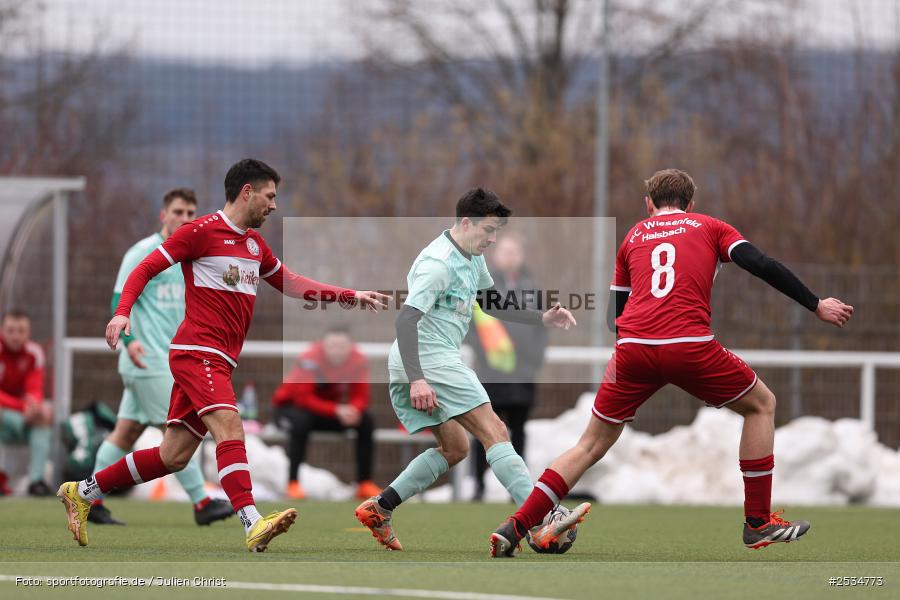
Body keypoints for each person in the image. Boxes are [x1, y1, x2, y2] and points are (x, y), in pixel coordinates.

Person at [489, 169, 854, 557]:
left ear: (648, 204)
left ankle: (515, 525)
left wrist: (640, 351)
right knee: (762, 405)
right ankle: (757, 523)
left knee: (590, 445)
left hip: (632, 349)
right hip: (689, 346)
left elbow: (613, 316)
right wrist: (815, 304)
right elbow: (761, 263)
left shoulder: (633, 236)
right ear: (690, 204)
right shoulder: (710, 226)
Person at [57, 158, 389, 552]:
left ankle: (83, 491)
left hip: (217, 360)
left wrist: (350, 296)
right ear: (247, 192)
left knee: (173, 456)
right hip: (197, 353)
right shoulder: (200, 232)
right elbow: (145, 268)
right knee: (230, 427)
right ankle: (252, 521)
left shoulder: (254, 245)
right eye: (270, 196)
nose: (274, 205)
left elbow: (292, 283)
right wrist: (122, 312)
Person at [354, 187, 576, 551]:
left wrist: (541, 318)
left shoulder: (472, 255)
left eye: (496, 233)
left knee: (455, 448)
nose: (492, 239)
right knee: (496, 432)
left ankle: (381, 507)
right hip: (428, 361)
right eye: (488, 230)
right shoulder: (438, 263)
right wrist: (418, 379)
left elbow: (490, 303)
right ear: (467, 222)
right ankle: (542, 518)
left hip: (432, 361)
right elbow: (405, 322)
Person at [88, 188, 233, 527]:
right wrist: (131, 341)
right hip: (148, 359)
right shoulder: (141, 251)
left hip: (172, 358)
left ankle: (89, 499)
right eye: (178, 212)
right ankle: (201, 502)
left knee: (124, 434)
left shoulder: (191, 254)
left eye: (190, 213)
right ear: (163, 215)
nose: (184, 219)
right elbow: (118, 301)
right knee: (178, 432)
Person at [466, 234, 547, 501]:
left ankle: (519, 490)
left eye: (515, 251)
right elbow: (472, 325)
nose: (510, 256)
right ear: (496, 255)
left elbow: (543, 326)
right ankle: (478, 485)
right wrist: (487, 354)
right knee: (484, 430)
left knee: (519, 431)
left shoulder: (534, 288)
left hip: (523, 373)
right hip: (491, 373)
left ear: (521, 255)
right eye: (505, 251)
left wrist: (533, 358)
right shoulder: (484, 286)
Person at [272, 326, 379, 500]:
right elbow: (303, 399)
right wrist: (337, 410)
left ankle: (364, 483)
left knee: (366, 421)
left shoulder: (358, 360)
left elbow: (361, 396)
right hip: (289, 408)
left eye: (342, 346)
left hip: (326, 410)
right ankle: (293, 484)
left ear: (350, 346)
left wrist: (353, 410)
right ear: (323, 345)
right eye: (332, 346)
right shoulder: (310, 358)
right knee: (300, 422)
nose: (337, 350)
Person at [0, 310, 52, 496]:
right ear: (2, 331)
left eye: (21, 331)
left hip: (19, 418)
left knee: (44, 415)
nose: (15, 336)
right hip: (8, 415)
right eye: (11, 330)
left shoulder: (34, 353)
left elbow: (35, 388)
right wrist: (23, 408)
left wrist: (34, 406)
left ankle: (36, 481)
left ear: (28, 333)